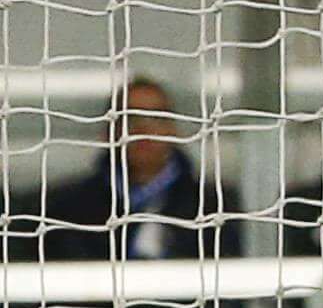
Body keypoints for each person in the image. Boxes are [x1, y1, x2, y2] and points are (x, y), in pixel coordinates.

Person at [37, 75, 220, 263]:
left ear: (173, 129)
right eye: (130, 119)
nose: (143, 129)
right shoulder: (68, 209)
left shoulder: (211, 208)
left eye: (156, 118)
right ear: (109, 131)